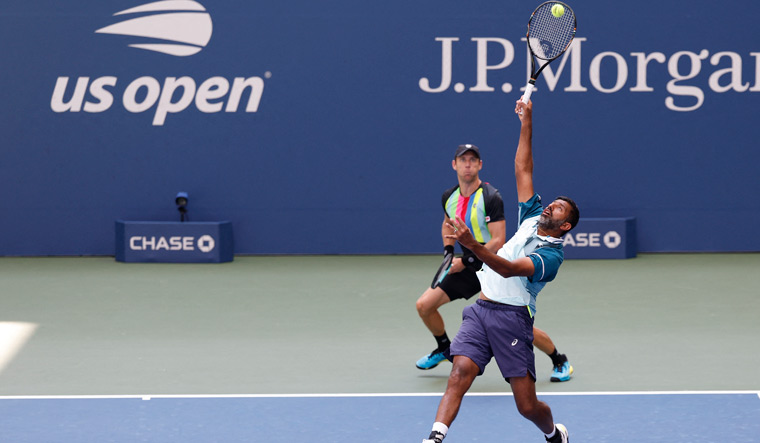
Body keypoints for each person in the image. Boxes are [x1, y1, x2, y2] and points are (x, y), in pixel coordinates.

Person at [422, 98, 580, 443]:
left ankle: (554, 433)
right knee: (459, 372)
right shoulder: (531, 216)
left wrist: (471, 245)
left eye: (559, 209)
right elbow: (523, 167)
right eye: (553, 201)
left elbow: (508, 269)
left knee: (526, 406)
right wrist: (527, 121)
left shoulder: (551, 257)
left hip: (513, 318)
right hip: (482, 308)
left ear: (565, 225)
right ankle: (435, 437)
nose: (551, 204)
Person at [415, 145, 574, 384]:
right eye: (463, 160)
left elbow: (498, 240)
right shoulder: (449, 196)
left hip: (490, 264)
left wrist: (467, 259)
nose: (467, 164)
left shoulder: (491, 197)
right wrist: (449, 252)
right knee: (424, 305)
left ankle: (559, 359)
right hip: (464, 266)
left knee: (515, 326)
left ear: (480, 165)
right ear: (454, 164)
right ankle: (444, 349)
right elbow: (448, 224)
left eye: (472, 160)